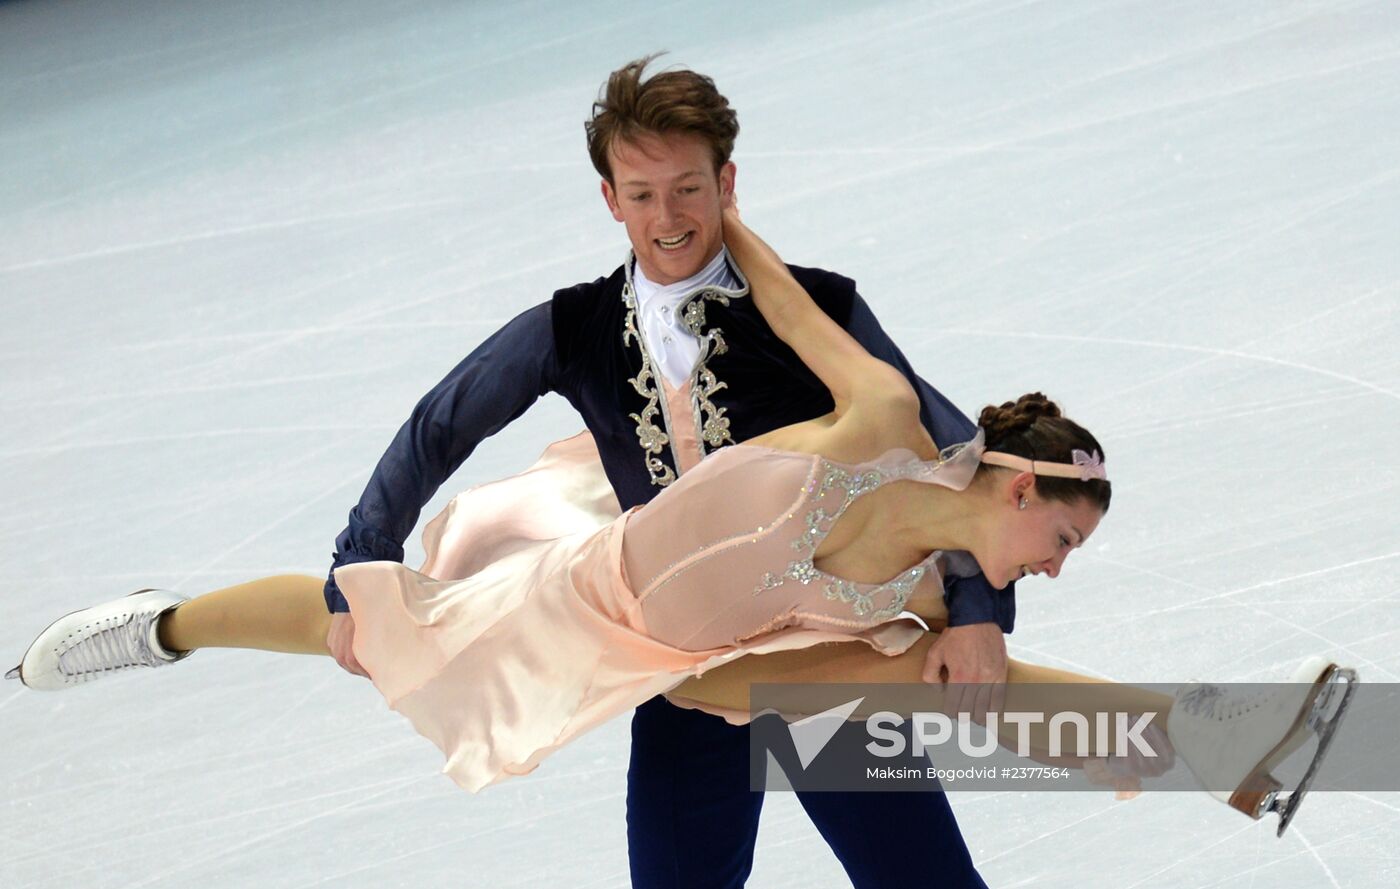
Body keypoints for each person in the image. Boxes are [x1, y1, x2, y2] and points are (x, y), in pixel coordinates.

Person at [10, 205, 1347, 869]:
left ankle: (1231, 747)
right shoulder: (601, 333)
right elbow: (439, 421)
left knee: (927, 758)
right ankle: (165, 622)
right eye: (1058, 537)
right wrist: (712, 229)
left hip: (772, 637)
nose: (1061, 563)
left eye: (692, 193)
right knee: (362, 617)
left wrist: (986, 616)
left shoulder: (914, 440)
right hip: (626, 619)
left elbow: (811, 315)